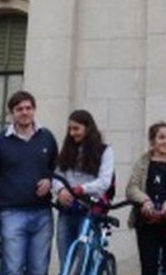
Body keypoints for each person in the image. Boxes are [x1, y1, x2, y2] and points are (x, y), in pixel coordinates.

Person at [0, 91, 58, 275]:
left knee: (39, 269)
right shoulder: (0, 141)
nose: (24, 112)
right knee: (13, 269)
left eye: (28, 108)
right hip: (11, 214)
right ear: (11, 113)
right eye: (19, 109)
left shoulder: (47, 137)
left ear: (34, 110)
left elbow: (57, 170)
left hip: (42, 214)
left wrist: (50, 181)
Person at [126, 121, 166, 275]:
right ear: (152, 140)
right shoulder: (142, 163)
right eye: (161, 137)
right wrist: (145, 201)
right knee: (149, 268)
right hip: (146, 223)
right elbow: (132, 188)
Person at [52, 110, 115, 269]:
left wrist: (82, 189)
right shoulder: (67, 150)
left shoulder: (104, 151)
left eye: (76, 128)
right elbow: (56, 175)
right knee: (65, 260)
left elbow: (104, 182)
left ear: (88, 128)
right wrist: (60, 191)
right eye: (70, 129)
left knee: (84, 259)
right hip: (67, 210)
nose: (72, 133)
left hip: (90, 211)